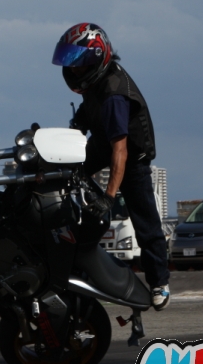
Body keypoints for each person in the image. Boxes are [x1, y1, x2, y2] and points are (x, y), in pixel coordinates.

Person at [52, 22, 171, 310]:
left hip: (131, 159)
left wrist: (109, 196)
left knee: (145, 224)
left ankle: (160, 283)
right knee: (67, 172)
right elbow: (89, 107)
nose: (74, 69)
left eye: (79, 62)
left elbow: (121, 150)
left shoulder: (115, 95)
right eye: (70, 63)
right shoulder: (94, 81)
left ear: (96, 58)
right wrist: (74, 129)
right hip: (103, 143)